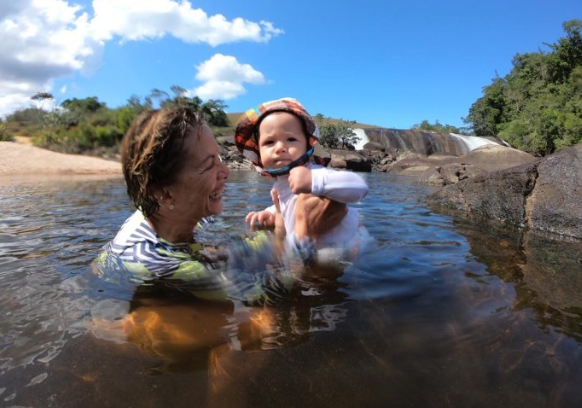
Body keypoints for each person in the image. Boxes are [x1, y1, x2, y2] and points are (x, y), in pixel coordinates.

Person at [93, 107, 325, 306]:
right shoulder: (161, 262)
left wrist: (278, 220)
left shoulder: (167, 210)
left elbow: (224, 250)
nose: (227, 172)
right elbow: (261, 296)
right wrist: (302, 238)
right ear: (164, 192)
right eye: (208, 165)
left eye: (219, 159)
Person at [235, 98, 370, 263]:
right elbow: (287, 204)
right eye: (269, 142)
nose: (280, 148)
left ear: (307, 145)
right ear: (259, 153)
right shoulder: (279, 186)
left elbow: (359, 187)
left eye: (291, 139)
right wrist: (270, 214)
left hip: (350, 243)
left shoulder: (314, 172)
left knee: (320, 258)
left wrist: (314, 180)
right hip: (314, 246)